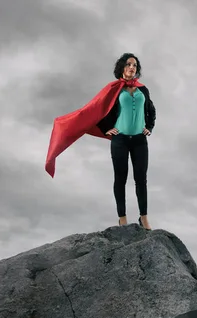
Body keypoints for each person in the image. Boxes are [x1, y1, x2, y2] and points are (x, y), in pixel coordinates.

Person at [44, 52, 156, 231]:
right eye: (128, 64)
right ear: (122, 67)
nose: (132, 68)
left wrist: (149, 126)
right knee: (120, 179)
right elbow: (99, 110)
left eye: (135, 65)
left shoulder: (143, 89)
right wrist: (106, 129)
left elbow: (151, 109)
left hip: (139, 141)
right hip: (120, 140)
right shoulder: (114, 89)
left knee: (141, 179)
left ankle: (144, 218)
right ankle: (122, 218)